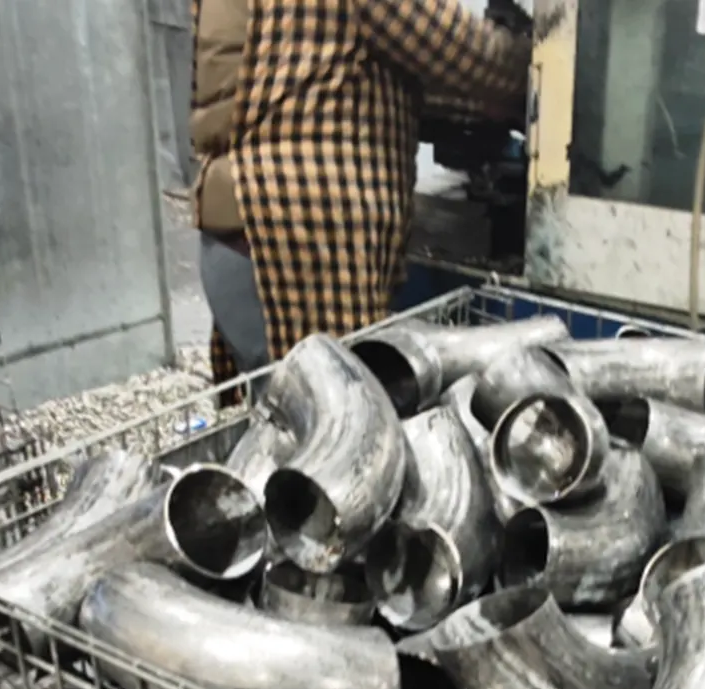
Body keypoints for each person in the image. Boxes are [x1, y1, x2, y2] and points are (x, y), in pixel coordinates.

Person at [189, 0, 530, 404]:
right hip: (298, 244)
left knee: (284, 422)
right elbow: (460, 52)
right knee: (343, 418)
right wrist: (540, 53)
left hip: (242, 234)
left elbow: (348, 74)